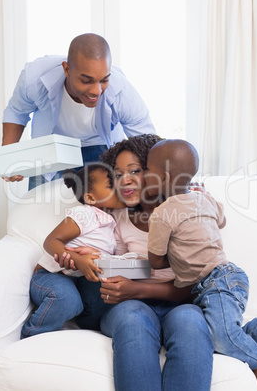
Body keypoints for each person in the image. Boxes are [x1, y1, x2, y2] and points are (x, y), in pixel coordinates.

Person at [57, 134, 216, 391]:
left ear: (159, 173)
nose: (125, 180)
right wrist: (94, 259)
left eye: (135, 170)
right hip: (131, 306)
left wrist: (140, 288)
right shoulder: (116, 218)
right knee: (132, 318)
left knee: (191, 322)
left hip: (181, 302)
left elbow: (201, 282)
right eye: (117, 174)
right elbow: (133, 266)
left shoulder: (187, 211)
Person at [145, 139, 257, 390]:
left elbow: (155, 261)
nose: (145, 175)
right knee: (217, 335)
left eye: (148, 170)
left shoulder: (163, 213)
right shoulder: (204, 199)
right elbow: (220, 221)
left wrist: (176, 253)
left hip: (217, 282)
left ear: (164, 177)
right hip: (226, 278)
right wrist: (203, 196)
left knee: (219, 338)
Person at [2, 33, 155, 189]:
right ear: (67, 69)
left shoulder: (122, 92)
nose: (97, 91)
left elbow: (147, 143)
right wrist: (8, 159)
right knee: (39, 207)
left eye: (104, 80)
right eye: (86, 80)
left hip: (100, 147)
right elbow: (17, 111)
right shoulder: (35, 78)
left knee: (102, 211)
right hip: (51, 148)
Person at [21, 163, 124, 338]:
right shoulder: (85, 213)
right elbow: (51, 241)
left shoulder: (114, 223)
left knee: (108, 294)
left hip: (81, 281)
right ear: (90, 198)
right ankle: (32, 335)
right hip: (51, 275)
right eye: (110, 185)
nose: (119, 187)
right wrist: (78, 259)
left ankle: (85, 325)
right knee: (67, 300)